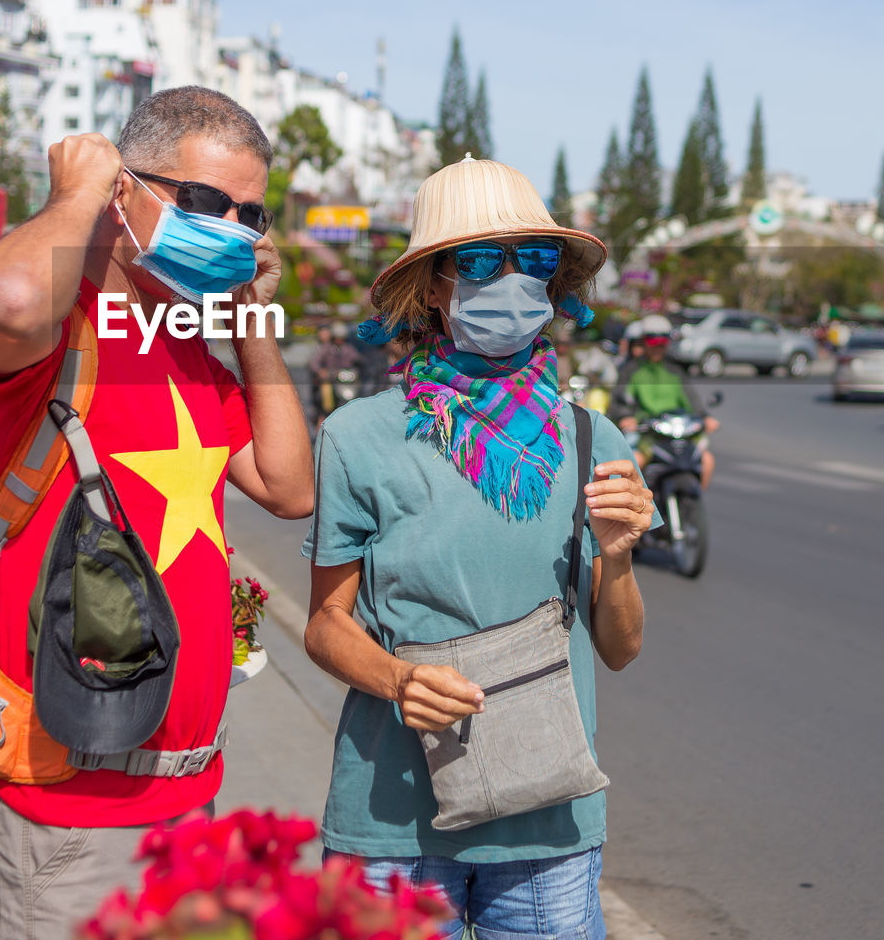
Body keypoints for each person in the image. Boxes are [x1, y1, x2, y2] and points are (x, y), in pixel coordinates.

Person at [0, 86, 314, 940]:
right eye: (199, 202)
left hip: (185, 801)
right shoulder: (53, 332)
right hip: (62, 817)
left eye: (249, 213)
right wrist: (75, 192)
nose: (230, 226)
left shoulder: (184, 348)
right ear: (125, 188)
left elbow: (288, 486)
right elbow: (0, 302)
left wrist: (250, 320)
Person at [302, 156, 657, 938]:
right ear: (433, 285)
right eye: (478, 261)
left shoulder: (593, 438)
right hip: (390, 825)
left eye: (532, 261)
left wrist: (622, 555)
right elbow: (327, 623)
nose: (511, 280)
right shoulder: (358, 436)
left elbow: (621, 649)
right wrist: (398, 679)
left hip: (547, 827)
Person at [608, 314, 719, 487]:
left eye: (661, 345)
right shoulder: (631, 371)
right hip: (647, 433)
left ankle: (692, 505)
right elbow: (620, 401)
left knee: (707, 460)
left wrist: (704, 417)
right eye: (653, 344)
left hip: (676, 433)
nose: (657, 349)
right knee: (633, 464)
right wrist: (626, 418)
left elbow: (691, 399)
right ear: (644, 343)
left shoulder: (675, 371)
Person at [309, 320, 363, 425]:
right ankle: (323, 416)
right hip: (330, 380)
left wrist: (360, 366)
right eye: (337, 338)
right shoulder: (326, 348)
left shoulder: (349, 349)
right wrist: (320, 371)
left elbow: (359, 359)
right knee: (324, 398)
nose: (339, 341)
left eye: (341, 338)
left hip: (346, 381)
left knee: (359, 393)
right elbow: (314, 362)